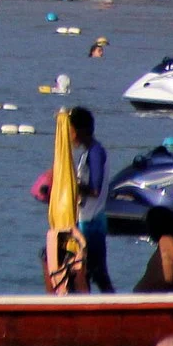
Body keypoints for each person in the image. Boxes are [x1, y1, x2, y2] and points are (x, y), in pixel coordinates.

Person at [76, 106, 116, 293]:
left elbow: (94, 190)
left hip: (92, 222)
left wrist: (72, 185)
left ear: (80, 130)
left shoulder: (95, 152)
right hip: (86, 219)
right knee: (88, 273)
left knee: (96, 273)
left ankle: (114, 307)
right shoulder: (86, 154)